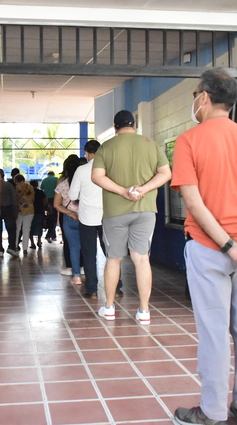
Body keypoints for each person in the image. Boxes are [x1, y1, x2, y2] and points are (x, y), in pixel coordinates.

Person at [170, 69, 237, 425]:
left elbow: (193, 204)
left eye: (194, 93)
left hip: (211, 248)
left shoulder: (189, 141)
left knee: (213, 332)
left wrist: (227, 245)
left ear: (205, 97)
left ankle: (211, 411)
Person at [92, 110, 171, 325]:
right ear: (134, 124)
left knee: (114, 259)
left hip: (115, 211)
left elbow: (97, 177)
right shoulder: (151, 144)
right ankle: (144, 311)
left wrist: (122, 192)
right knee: (142, 259)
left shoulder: (106, 147)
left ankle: (109, 308)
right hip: (145, 209)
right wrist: (142, 190)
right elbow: (165, 173)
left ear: (115, 127)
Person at [69, 140, 122, 299]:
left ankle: (92, 290)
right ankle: (117, 288)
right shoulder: (109, 169)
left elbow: (72, 195)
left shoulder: (81, 170)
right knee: (111, 254)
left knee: (89, 254)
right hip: (107, 217)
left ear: (86, 153)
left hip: (87, 219)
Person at [54, 156, 82, 284]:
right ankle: (88, 271)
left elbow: (56, 205)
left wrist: (70, 212)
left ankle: (76, 276)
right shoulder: (85, 181)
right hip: (86, 218)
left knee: (73, 248)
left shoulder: (62, 184)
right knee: (88, 247)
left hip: (69, 219)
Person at [14, 173, 35, 255]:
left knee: (17, 229)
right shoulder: (30, 187)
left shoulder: (16, 188)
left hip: (19, 210)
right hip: (29, 210)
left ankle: (15, 246)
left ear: (16, 180)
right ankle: (25, 249)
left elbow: (15, 199)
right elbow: (33, 199)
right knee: (26, 229)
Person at [41, 170, 58, 242]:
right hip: (55, 200)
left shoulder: (44, 180)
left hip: (47, 200)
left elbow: (42, 188)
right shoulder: (57, 179)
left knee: (50, 218)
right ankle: (49, 235)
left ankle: (53, 235)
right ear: (53, 174)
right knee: (54, 218)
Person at [29, 179, 47, 249]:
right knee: (39, 227)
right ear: (37, 185)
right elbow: (45, 201)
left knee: (30, 227)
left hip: (30, 211)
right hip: (40, 211)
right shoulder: (41, 192)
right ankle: (39, 241)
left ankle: (32, 243)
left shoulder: (29, 192)